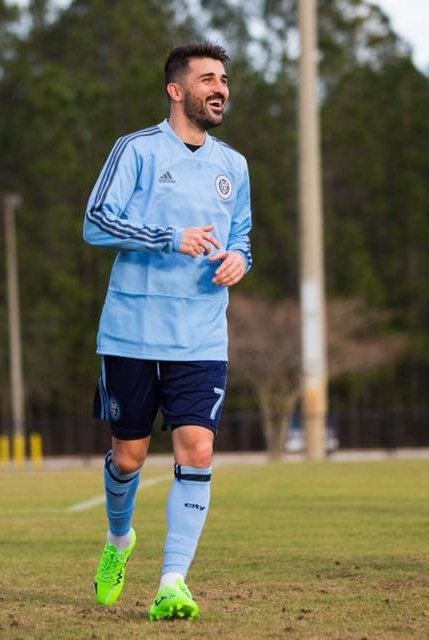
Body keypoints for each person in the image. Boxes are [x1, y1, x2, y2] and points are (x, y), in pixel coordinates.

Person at [83, 41, 251, 621]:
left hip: (201, 333)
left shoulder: (234, 165)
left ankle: (172, 581)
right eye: (207, 78)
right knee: (127, 457)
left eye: (223, 78)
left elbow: (244, 236)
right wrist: (166, 236)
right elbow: (95, 220)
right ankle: (118, 541)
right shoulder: (135, 149)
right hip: (131, 331)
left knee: (197, 448)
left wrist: (239, 261)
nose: (220, 87)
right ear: (176, 90)